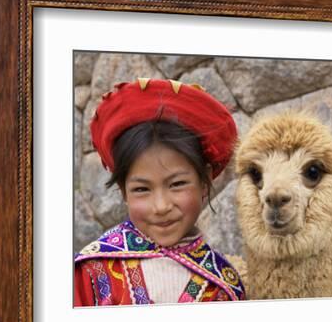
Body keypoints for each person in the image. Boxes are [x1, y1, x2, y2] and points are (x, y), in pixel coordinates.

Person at [74, 78, 245, 306]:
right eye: (142, 189)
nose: (161, 206)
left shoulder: (224, 286)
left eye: (177, 184)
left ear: (204, 181)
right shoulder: (91, 272)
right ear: (124, 192)